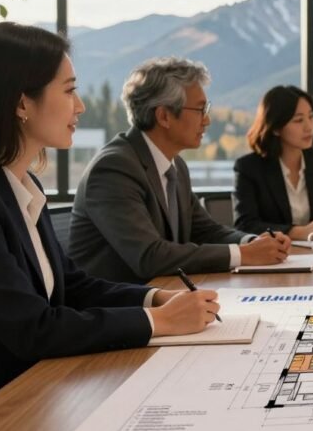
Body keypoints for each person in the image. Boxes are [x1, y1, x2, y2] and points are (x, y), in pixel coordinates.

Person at [0, 23, 217, 411]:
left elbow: (72, 286)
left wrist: (155, 297)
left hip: (47, 388)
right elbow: (33, 329)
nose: (81, 106)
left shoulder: (22, 185)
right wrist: (162, 322)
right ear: (22, 103)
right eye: (70, 90)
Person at [69, 57, 290, 284]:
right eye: (200, 109)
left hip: (167, 294)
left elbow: (205, 230)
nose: (207, 120)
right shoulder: (114, 169)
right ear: (164, 116)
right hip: (117, 308)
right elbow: (149, 256)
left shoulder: (175, 165)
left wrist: (252, 243)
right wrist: (243, 255)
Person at [233, 85, 313, 238]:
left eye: (311, 117)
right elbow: (245, 225)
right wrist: (300, 232)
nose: (309, 127)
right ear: (276, 127)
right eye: (298, 120)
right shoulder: (249, 167)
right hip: (273, 257)